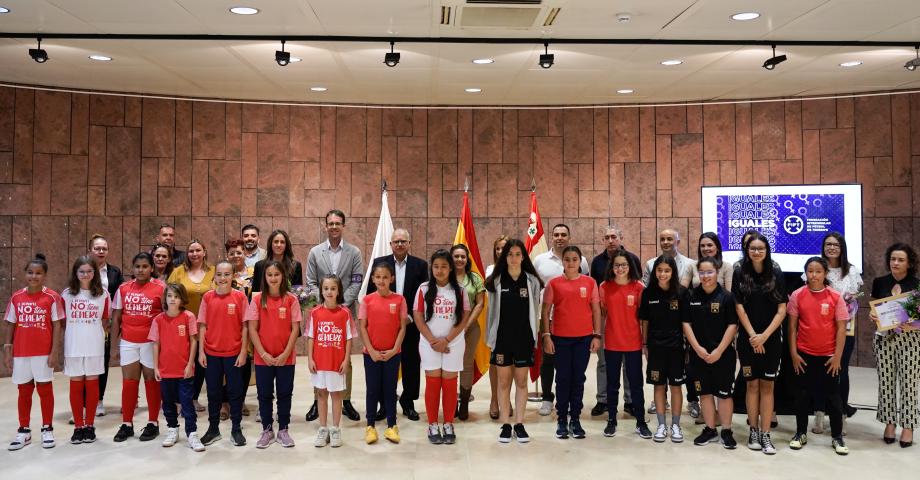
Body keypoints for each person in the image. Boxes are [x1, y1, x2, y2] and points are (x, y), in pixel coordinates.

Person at [305, 210, 365, 423]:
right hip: (321, 313)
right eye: (330, 223)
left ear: (344, 226)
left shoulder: (354, 252)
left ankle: (345, 400)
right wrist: (324, 302)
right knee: (319, 357)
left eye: (338, 223)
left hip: (344, 313)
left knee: (343, 359)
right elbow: (311, 282)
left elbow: (357, 281)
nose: (334, 226)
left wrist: (339, 303)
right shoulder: (315, 252)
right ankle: (317, 398)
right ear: (325, 226)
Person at [732, 233, 787, 455]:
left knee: (767, 386)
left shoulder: (776, 273)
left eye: (760, 248)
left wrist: (764, 336)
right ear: (747, 251)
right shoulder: (740, 273)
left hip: (771, 340)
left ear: (767, 251)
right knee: (751, 385)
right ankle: (753, 430)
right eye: (752, 248)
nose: (756, 252)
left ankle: (766, 434)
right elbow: (739, 307)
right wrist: (754, 335)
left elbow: (782, 309)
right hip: (747, 339)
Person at [787, 257, 849, 455]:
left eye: (818, 271)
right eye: (810, 271)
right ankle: (800, 433)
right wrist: (794, 353)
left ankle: (837, 437)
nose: (813, 275)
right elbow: (792, 327)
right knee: (802, 396)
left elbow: (841, 329)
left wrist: (837, 356)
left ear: (825, 274)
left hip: (829, 357)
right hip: (804, 355)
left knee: (833, 398)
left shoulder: (835, 297)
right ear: (806, 273)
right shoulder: (797, 295)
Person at [366, 228, 428, 422]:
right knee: (385, 364)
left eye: (403, 241)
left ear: (409, 244)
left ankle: (408, 402)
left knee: (411, 364)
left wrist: (410, 317)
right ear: (391, 244)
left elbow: (423, 296)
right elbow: (370, 293)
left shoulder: (420, 265)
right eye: (396, 241)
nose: (400, 244)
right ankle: (385, 404)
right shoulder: (379, 264)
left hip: (410, 323)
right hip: (385, 326)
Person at [484, 239, 543, 443]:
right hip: (502, 340)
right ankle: (505, 424)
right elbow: (491, 313)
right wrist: (490, 338)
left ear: (523, 257)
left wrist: (536, 337)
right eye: (510, 254)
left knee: (521, 381)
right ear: (504, 257)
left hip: (524, 340)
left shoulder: (532, 281)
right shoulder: (496, 281)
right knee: (503, 382)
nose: (514, 258)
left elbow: (535, 312)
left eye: (518, 254)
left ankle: (519, 423)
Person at [803, 232, 862, 433]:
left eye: (836, 244)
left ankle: (842, 415)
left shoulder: (852, 271)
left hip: (845, 329)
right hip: (820, 329)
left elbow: (856, 299)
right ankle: (819, 414)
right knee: (820, 373)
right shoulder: (817, 268)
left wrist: (849, 301)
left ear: (842, 247)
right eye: (828, 244)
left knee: (841, 371)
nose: (832, 248)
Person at [541, 245, 602, 440]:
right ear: (563, 262)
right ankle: (561, 419)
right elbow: (545, 311)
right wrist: (546, 335)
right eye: (567, 259)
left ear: (580, 261)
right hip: (560, 339)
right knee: (563, 378)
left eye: (574, 259)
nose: (571, 263)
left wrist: (597, 335)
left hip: (583, 338)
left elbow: (596, 310)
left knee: (578, 378)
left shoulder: (590, 283)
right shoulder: (554, 284)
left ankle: (575, 418)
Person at [4, 254, 64, 451]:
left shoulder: (52, 297)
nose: (34, 276)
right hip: (21, 352)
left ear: (45, 275)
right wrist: (7, 348)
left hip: (43, 352)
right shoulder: (16, 297)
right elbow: (11, 324)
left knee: (45, 390)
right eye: (30, 272)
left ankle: (47, 428)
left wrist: (54, 351)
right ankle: (24, 430)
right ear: (25, 274)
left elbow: (57, 326)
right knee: (24, 391)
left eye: (38, 273)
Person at [414, 249, 472, 445]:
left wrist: (446, 340)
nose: (439, 270)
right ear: (432, 268)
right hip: (429, 343)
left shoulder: (460, 290)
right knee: (432, 383)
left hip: (453, 343)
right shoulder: (423, 289)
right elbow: (418, 316)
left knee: (449, 383)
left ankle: (448, 423)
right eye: (436, 266)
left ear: (451, 268)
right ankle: (432, 424)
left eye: (444, 267)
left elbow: (464, 317)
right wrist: (433, 341)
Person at [533, 224, 590, 417]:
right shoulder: (540, 260)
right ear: (552, 236)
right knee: (548, 360)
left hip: (572, 322)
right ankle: (548, 398)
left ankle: (569, 402)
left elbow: (586, 288)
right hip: (547, 318)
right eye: (556, 234)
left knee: (570, 367)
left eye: (563, 234)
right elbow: (534, 288)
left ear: (569, 237)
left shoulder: (581, 260)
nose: (559, 238)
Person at [682, 257, 739, 449]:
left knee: (724, 394)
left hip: (723, 355)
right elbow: (686, 324)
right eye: (702, 272)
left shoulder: (727, 297)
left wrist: (719, 350)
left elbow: (733, 325)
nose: (706, 276)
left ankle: (727, 430)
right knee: (704, 393)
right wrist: (697, 349)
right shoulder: (691, 296)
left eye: (710, 272)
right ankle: (710, 429)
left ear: (717, 273)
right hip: (699, 355)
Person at [246, 260, 301, 449]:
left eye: (277, 274)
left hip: (286, 358)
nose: (273, 278)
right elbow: (252, 329)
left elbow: (295, 329)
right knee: (264, 394)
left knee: (285, 393)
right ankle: (267, 430)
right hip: (264, 358)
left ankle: (283, 429)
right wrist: (262, 353)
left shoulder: (291, 299)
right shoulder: (257, 299)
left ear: (283, 276)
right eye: (269, 275)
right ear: (265, 277)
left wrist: (286, 353)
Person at [111, 252, 166, 443]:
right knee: (129, 382)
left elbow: (167, 317)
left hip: (151, 343)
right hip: (128, 341)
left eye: (144, 266)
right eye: (137, 267)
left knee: (151, 381)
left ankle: (153, 422)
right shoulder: (123, 288)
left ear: (151, 268)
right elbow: (116, 317)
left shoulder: (161, 288)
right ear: (132, 269)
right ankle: (127, 423)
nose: (140, 270)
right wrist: (114, 346)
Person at [870, 243, 919, 448]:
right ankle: (889, 423)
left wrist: (913, 321)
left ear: (909, 263)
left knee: (909, 383)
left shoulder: (917, 285)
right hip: (884, 338)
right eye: (892, 259)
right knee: (886, 382)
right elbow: (874, 307)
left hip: (911, 339)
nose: (895, 263)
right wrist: (872, 315)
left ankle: (907, 427)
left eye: (900, 260)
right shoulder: (880, 282)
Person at [598, 247, 651, 439]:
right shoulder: (604, 287)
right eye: (617, 265)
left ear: (630, 267)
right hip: (611, 343)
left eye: (624, 265)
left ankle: (641, 422)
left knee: (636, 384)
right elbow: (602, 314)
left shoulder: (639, 288)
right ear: (612, 267)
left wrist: (645, 343)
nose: (620, 268)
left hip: (633, 344)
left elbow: (644, 319)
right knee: (612, 384)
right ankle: (611, 420)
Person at [681, 232, 733, 423]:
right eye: (702, 245)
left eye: (709, 245)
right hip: (698, 326)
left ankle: (724, 422)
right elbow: (682, 290)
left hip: (721, 325)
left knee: (722, 384)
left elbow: (729, 295)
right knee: (702, 383)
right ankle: (709, 420)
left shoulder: (726, 268)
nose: (706, 248)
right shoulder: (691, 267)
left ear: (717, 247)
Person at [590, 226, 641, 418]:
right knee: (603, 363)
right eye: (606, 237)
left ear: (621, 238)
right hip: (606, 323)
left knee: (629, 366)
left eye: (613, 237)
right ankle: (602, 400)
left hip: (628, 324)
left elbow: (637, 287)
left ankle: (629, 402)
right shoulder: (596, 262)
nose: (610, 240)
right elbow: (595, 295)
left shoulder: (632, 259)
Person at [197, 260, 249, 447]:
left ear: (233, 276)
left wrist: (243, 351)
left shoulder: (240, 297)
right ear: (215, 276)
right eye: (219, 274)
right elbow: (202, 325)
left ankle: (236, 429)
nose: (223, 278)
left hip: (234, 353)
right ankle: (213, 429)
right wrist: (201, 351)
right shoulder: (208, 298)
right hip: (211, 353)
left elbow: (245, 327)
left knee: (235, 392)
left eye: (227, 274)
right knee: (213, 392)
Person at [149, 283, 205, 452]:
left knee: (187, 403)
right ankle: (172, 428)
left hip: (184, 370)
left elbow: (194, 341)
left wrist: (190, 364)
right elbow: (155, 344)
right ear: (165, 298)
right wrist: (156, 367)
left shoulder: (188, 316)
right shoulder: (158, 320)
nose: (173, 299)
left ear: (182, 299)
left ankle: (192, 433)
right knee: (167, 402)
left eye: (176, 296)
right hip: (165, 370)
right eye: (170, 296)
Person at [61, 256, 110, 445]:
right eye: (81, 271)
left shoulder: (103, 294)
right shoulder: (67, 294)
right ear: (75, 273)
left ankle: (89, 425)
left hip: (94, 347)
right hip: (73, 347)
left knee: (91, 385)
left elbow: (105, 320)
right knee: (76, 385)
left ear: (95, 273)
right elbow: (63, 321)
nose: (86, 274)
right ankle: (78, 427)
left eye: (89, 271)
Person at [640, 255, 688, 444]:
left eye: (667, 270)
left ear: (673, 272)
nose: (662, 274)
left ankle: (675, 425)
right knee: (659, 386)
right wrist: (644, 344)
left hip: (676, 348)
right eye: (659, 270)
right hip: (655, 347)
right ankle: (661, 424)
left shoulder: (682, 293)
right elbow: (645, 321)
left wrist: (687, 348)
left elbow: (686, 323)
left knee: (676, 387)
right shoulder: (648, 293)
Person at [359, 262, 407, 444]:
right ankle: (370, 426)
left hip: (392, 354)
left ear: (392, 279)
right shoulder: (367, 300)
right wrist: (371, 350)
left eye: (385, 277)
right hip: (371, 354)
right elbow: (363, 327)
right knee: (372, 389)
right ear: (372, 279)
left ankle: (391, 425)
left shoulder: (399, 300)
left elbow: (402, 327)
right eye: (378, 277)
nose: (381, 280)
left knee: (390, 389)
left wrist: (395, 349)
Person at [168, 239, 216, 412]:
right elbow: (169, 295)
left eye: (198, 250)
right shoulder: (178, 272)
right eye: (191, 251)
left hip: (206, 325)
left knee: (200, 363)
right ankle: (178, 399)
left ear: (204, 252)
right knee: (180, 361)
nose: (194, 254)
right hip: (181, 325)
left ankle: (194, 398)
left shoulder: (214, 271)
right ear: (186, 254)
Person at [307, 275, 354, 448]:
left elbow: (348, 338)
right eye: (326, 288)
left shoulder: (345, 313)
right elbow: (311, 336)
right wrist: (310, 358)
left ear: (339, 291)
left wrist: (346, 359)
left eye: (333, 288)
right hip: (320, 362)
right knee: (321, 394)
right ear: (321, 290)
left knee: (336, 395)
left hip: (337, 362)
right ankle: (323, 428)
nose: (329, 291)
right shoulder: (315, 313)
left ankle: (335, 429)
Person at [451, 244, 486, 421]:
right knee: (449, 367)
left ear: (467, 259)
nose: (459, 259)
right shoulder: (445, 277)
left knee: (466, 366)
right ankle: (452, 404)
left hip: (470, 329)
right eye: (456, 256)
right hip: (447, 330)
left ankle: (464, 402)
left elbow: (480, 303)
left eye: (462, 256)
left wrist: (465, 326)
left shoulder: (474, 278)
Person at [90, 234, 123, 418]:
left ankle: (99, 400)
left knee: (102, 362)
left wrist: (113, 322)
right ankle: (84, 402)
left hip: (105, 326)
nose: (101, 251)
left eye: (104, 248)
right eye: (97, 248)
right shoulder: (82, 269)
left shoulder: (114, 272)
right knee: (86, 362)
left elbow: (119, 299)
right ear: (90, 250)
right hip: (85, 324)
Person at [485, 234, 509, 420]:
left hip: (515, 324)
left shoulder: (520, 270)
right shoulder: (491, 270)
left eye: (504, 248)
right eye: (498, 248)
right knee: (495, 362)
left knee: (512, 365)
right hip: (496, 322)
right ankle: (495, 399)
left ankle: (506, 399)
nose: (501, 251)